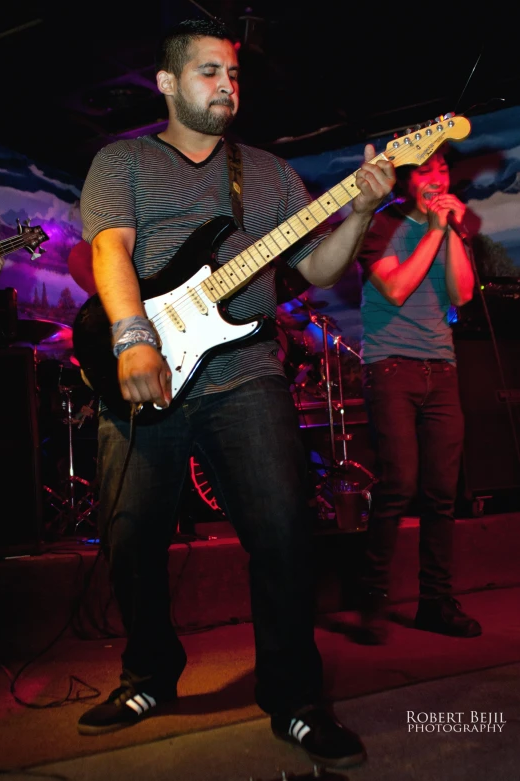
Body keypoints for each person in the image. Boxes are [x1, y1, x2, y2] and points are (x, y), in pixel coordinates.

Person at [75, 18, 395, 769]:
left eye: (233, 74)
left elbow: (316, 271)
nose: (226, 86)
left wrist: (359, 211)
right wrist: (132, 338)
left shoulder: (270, 173)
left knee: (283, 532)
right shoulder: (121, 160)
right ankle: (148, 674)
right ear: (167, 83)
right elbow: (109, 249)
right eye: (209, 72)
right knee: (131, 537)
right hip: (144, 359)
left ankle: (294, 698)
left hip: (245, 368)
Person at [355, 148, 482, 645]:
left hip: (441, 369)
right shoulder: (380, 226)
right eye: (425, 171)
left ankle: (436, 601)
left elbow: (462, 294)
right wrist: (432, 230)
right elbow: (396, 288)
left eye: (443, 169)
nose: (436, 178)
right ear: (406, 179)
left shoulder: (449, 225)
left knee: (440, 493)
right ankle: (371, 597)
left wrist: (447, 229)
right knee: (398, 485)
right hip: (390, 367)